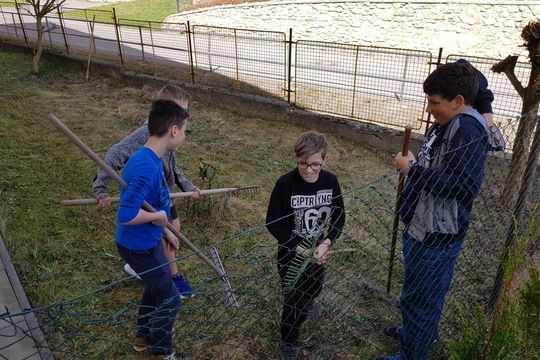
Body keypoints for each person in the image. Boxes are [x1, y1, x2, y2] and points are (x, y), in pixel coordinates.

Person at [376, 62, 493, 360]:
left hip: (435, 237)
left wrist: (413, 170)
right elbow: (471, 75)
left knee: (422, 301)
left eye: (434, 102)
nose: (429, 109)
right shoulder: (449, 122)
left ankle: (412, 353)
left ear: (457, 101)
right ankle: (415, 334)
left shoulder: (465, 129)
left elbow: (464, 187)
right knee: (417, 294)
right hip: (422, 227)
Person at [92, 84, 201, 298]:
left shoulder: (166, 138)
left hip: (163, 191)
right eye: (182, 112)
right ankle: (172, 278)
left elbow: (171, 166)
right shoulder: (148, 133)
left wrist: (187, 186)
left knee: (172, 228)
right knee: (168, 230)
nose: (185, 117)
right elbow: (115, 154)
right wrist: (101, 188)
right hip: (149, 192)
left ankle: (145, 267)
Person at [116, 99, 189, 359]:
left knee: (153, 286)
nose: (183, 136)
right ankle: (161, 351)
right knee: (171, 299)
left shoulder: (152, 157)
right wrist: (157, 217)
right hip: (138, 247)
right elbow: (126, 214)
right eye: (183, 130)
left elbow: (150, 203)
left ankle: (143, 336)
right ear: (173, 130)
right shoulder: (146, 166)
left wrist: (166, 229)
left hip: (148, 242)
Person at [266, 131, 346, 360]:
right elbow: (273, 223)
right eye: (303, 164)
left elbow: (339, 217)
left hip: (318, 252)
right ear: (296, 158)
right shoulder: (285, 184)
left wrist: (326, 244)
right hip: (291, 255)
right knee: (293, 302)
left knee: (315, 286)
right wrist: (299, 248)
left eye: (315, 165)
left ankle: (308, 302)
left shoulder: (330, 181)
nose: (309, 170)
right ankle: (288, 341)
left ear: (324, 159)